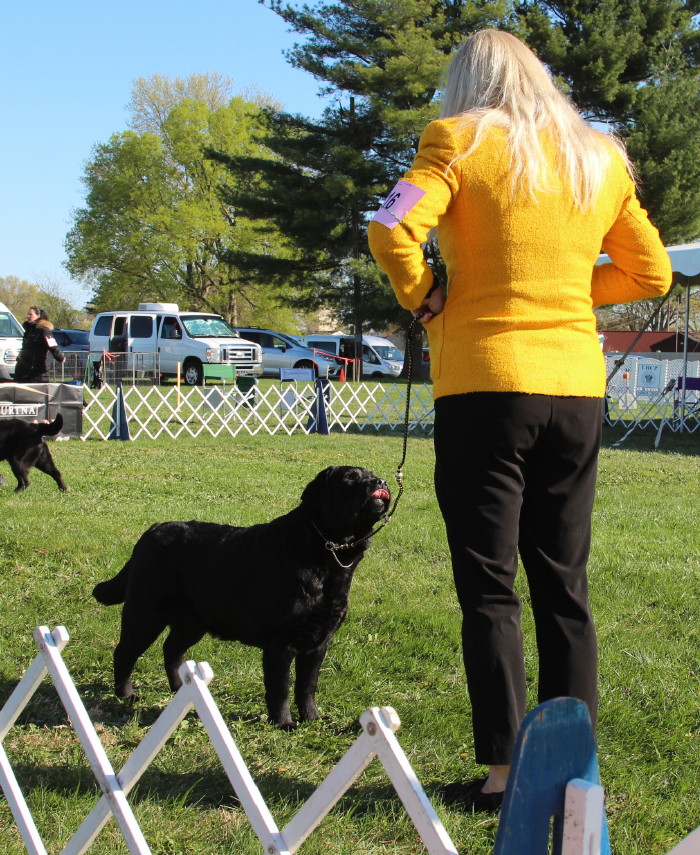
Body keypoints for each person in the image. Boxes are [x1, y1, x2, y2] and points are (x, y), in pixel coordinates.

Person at [368, 29, 671, 812]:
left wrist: (427, 294)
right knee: (564, 584)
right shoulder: (599, 156)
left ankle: (503, 773)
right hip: (575, 392)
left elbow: (389, 226)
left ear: (466, 82)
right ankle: (572, 773)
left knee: (489, 585)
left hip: (485, 390)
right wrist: (566, 291)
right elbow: (651, 271)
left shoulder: (455, 140)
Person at [14, 307, 65, 383]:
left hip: (38, 371)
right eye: (28, 314)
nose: (28, 316)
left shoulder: (43, 330)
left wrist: (60, 357)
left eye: (31, 314)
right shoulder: (28, 330)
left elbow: (52, 345)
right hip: (23, 369)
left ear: (38, 316)